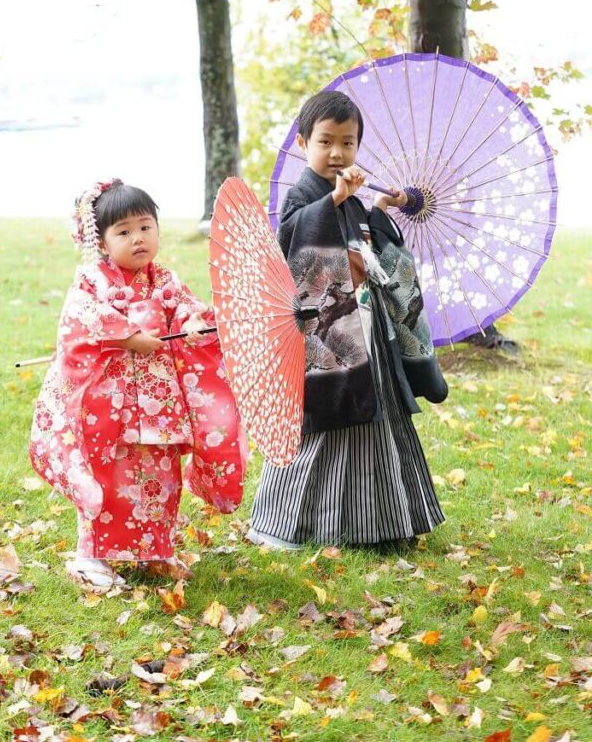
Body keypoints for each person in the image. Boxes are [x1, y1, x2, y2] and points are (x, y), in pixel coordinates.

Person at [248, 91, 446, 550]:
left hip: (368, 326)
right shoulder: (304, 196)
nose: (337, 152)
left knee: (375, 419)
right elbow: (295, 239)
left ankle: (381, 523)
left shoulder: (356, 196)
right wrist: (333, 202)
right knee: (328, 419)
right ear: (302, 142)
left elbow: (367, 247)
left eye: (348, 142)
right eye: (326, 141)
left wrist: (375, 211)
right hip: (330, 334)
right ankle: (287, 524)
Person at [30, 179, 246, 589]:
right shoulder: (93, 280)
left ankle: (154, 549)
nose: (138, 238)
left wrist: (195, 324)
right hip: (111, 406)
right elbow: (80, 317)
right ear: (102, 241)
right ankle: (91, 557)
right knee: (110, 478)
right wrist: (128, 335)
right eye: (123, 231)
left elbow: (185, 307)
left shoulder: (163, 279)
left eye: (145, 227)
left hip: (159, 403)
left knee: (160, 478)